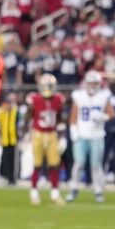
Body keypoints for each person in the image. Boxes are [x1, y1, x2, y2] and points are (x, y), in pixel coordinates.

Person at [67, 70, 112, 203]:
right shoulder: (78, 96)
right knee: (79, 163)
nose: (92, 86)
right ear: (86, 84)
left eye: (94, 84)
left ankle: (98, 191)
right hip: (82, 134)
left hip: (97, 135)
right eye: (90, 83)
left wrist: (103, 117)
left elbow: (112, 114)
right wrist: (73, 130)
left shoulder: (104, 96)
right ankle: (74, 188)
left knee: (96, 165)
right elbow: (73, 116)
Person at [26, 72, 65, 204]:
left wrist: (62, 135)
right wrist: (26, 134)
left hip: (52, 134)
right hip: (38, 133)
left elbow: (60, 117)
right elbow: (29, 116)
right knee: (37, 165)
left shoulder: (58, 99)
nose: (47, 89)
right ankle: (34, 193)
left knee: (54, 165)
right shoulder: (35, 99)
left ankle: (54, 194)